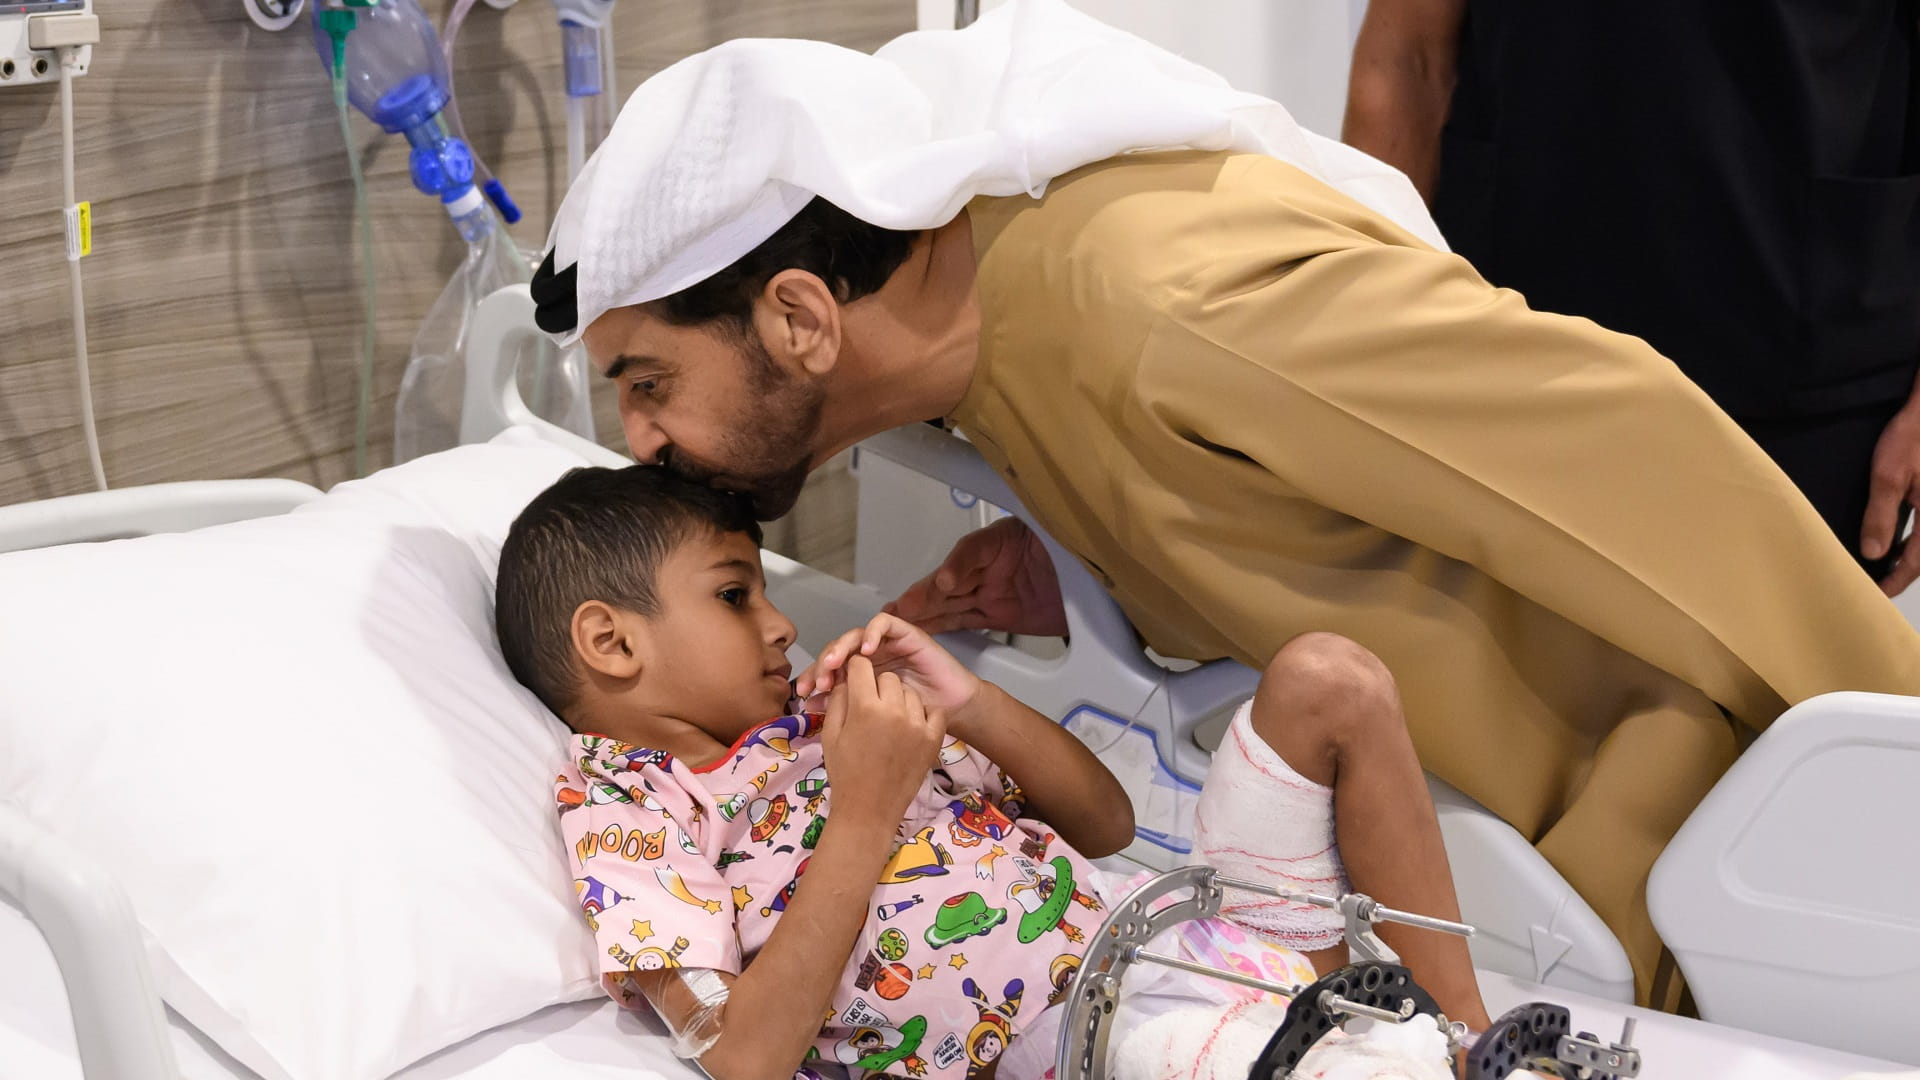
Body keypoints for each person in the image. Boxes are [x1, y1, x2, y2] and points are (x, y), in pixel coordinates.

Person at [526, 9, 1920, 1008]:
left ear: (798, 316)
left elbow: (1635, 450)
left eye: (649, 383)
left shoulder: (1166, 315)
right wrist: (1097, 567)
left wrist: (1888, 753)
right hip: (1517, 855)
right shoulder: (986, 352)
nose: (642, 441)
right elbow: (1271, 499)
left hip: (1695, 836)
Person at [491, 464, 1490, 1079]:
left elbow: (1103, 824)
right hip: (1083, 1043)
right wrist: (867, 807)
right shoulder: (630, 803)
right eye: (733, 594)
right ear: (610, 642)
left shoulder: (834, 719)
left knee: (1329, 679)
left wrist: (967, 702)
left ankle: (1465, 1037)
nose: (781, 622)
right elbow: (742, 1057)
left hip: (1194, 943)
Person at [1343, 0, 1920, 589]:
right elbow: (1407, 59)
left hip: (1803, 368)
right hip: (1501, 352)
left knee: (1781, 650)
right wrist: (1363, 331)